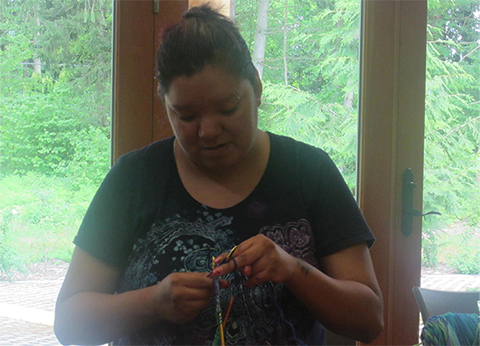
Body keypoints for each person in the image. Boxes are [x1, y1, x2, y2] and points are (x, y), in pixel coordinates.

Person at [54, 5, 383, 346]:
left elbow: (369, 319)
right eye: (186, 115)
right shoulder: (134, 179)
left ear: (255, 86)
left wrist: (292, 269)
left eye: (228, 108)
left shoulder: (309, 171)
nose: (208, 131)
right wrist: (153, 302)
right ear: (163, 100)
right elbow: (69, 325)